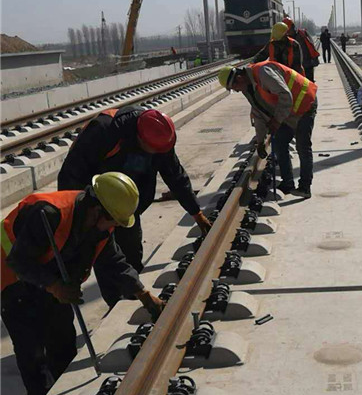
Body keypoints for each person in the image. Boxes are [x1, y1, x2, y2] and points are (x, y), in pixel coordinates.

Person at [0, 173, 164, 395]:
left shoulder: (99, 227)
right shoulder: (49, 214)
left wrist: (143, 294)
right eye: (114, 220)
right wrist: (54, 286)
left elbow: (114, 262)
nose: (115, 226)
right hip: (12, 277)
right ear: (96, 210)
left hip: (52, 275)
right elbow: (18, 261)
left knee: (62, 339)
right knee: (31, 347)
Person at [58, 107, 212, 306]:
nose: (156, 154)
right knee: (105, 257)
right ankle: (116, 304)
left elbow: (175, 175)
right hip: (95, 206)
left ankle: (133, 299)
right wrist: (83, 217)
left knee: (131, 253)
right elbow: (71, 175)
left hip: (126, 206)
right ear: (140, 138)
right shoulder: (104, 131)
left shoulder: (161, 139)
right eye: (152, 150)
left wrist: (196, 213)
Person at [218, 61, 317, 199]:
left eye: (234, 88)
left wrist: (276, 121)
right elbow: (258, 113)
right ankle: (288, 183)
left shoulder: (263, 73)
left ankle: (305, 187)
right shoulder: (248, 88)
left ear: (239, 78)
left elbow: (285, 95)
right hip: (289, 111)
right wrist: (260, 141)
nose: (237, 91)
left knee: (302, 146)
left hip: (305, 102)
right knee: (279, 143)